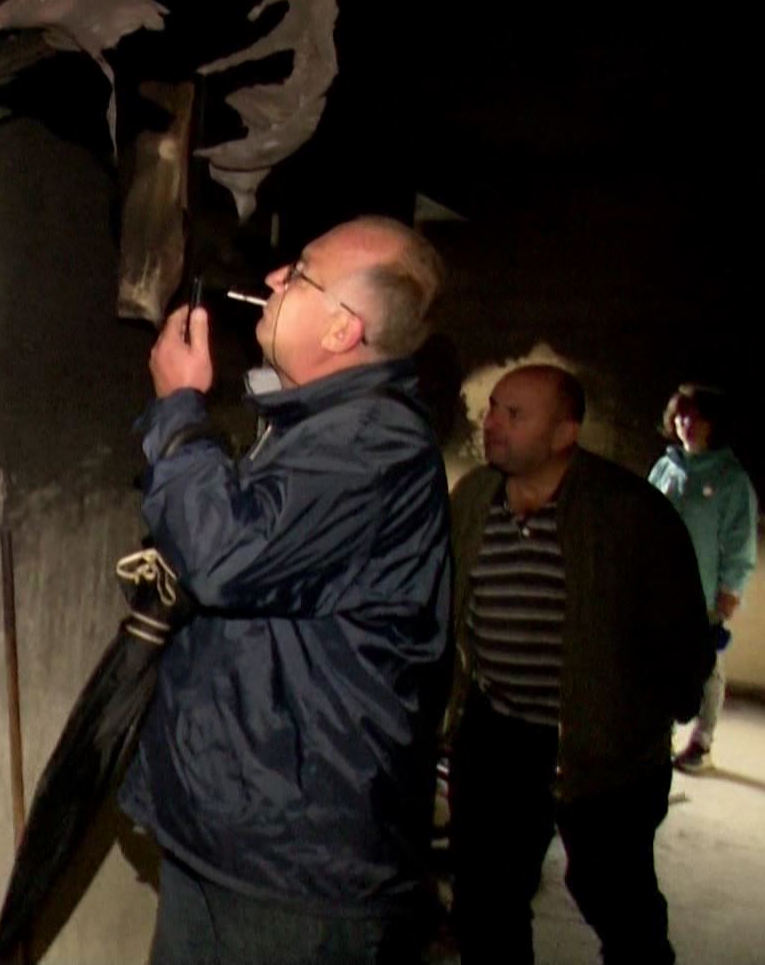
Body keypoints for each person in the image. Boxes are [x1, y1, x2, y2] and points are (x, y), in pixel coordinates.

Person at [122, 216, 453, 964]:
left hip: (298, 873)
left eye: (299, 272)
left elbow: (223, 557)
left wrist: (179, 408)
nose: (274, 278)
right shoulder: (318, 428)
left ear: (342, 330)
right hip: (237, 840)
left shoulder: (374, 444)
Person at [447, 364, 709, 965]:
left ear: (565, 433)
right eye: (493, 409)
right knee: (487, 900)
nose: (492, 423)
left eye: (514, 414)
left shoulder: (628, 513)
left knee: (618, 901)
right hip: (497, 736)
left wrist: (639, 726)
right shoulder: (475, 498)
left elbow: (681, 637)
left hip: (600, 749)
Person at [648, 383, 758, 774]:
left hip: (703, 593)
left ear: (713, 423)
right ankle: (657, 735)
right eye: (680, 415)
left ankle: (702, 742)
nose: (686, 423)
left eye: (695, 416)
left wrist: (730, 590)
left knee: (706, 667)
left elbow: (739, 540)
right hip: (658, 587)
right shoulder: (666, 467)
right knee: (656, 661)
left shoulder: (731, 479)